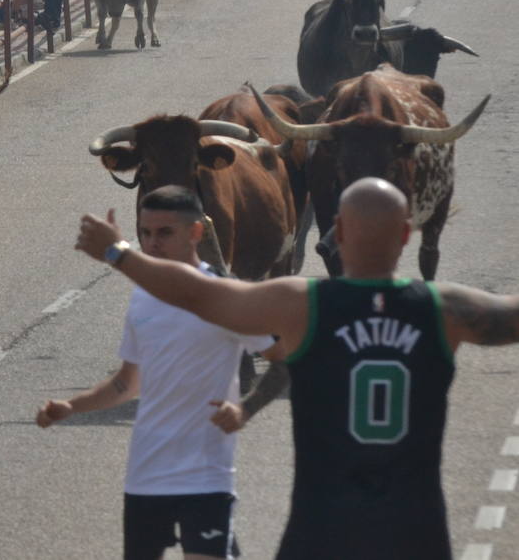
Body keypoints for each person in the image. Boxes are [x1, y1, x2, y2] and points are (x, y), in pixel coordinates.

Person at [73, 176, 519, 559]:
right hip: (414, 529)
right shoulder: (446, 310)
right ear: (406, 235)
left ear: (337, 232)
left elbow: (198, 293)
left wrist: (119, 254)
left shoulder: (300, 305)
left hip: (321, 527)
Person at [42, 186, 284, 560]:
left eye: (165, 233)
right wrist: (72, 407)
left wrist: (246, 409)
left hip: (206, 478)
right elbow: (126, 383)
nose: (152, 244)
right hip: (145, 477)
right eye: (145, 233)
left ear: (197, 233)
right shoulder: (142, 297)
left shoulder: (225, 295)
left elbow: (283, 359)